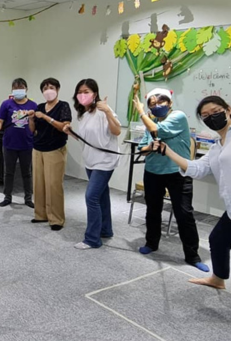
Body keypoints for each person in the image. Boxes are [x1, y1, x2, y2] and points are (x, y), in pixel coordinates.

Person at [153, 96, 231, 289]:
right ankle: (218, 279)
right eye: (205, 116)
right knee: (218, 239)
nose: (211, 117)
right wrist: (167, 151)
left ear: (228, 110)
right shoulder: (216, 146)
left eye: (215, 112)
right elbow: (197, 169)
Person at [133, 88, 208, 272]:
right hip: (153, 172)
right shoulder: (152, 121)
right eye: (152, 104)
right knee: (153, 210)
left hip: (178, 173)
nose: (157, 106)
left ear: (170, 103)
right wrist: (151, 147)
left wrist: (141, 111)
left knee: (184, 214)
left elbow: (156, 130)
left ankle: (192, 255)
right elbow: (142, 148)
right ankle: (151, 243)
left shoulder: (178, 117)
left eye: (161, 102)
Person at [63, 79, 121, 249]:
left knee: (91, 197)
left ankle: (92, 239)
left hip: (105, 161)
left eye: (86, 91)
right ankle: (106, 230)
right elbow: (87, 139)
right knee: (102, 196)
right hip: (91, 161)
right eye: (80, 92)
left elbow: (116, 131)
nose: (82, 95)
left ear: (95, 93)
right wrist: (71, 133)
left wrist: (108, 111)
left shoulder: (104, 111)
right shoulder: (84, 114)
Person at [29, 78, 72, 231]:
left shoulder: (63, 106)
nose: (48, 91)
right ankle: (40, 214)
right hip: (37, 148)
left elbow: (64, 127)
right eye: (45, 88)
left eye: (51, 87)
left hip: (55, 149)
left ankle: (56, 219)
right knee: (38, 183)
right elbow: (32, 130)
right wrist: (31, 118)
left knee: (53, 184)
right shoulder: (39, 107)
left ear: (58, 89)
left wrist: (46, 117)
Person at [0, 78, 37, 208]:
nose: (18, 90)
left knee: (27, 173)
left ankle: (28, 198)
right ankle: (7, 197)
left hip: (26, 144)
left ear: (26, 89)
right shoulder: (6, 104)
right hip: (9, 143)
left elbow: (35, 126)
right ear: (12, 90)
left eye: (21, 87)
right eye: (15, 88)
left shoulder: (33, 105)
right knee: (8, 172)